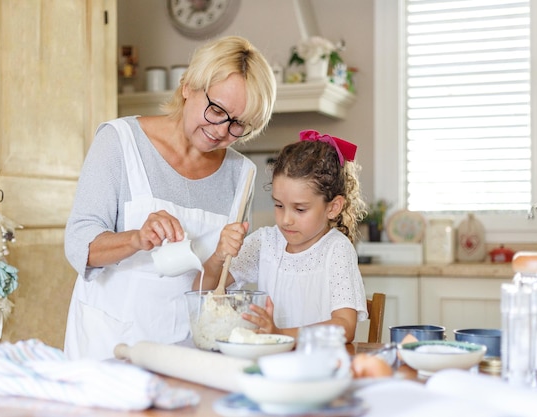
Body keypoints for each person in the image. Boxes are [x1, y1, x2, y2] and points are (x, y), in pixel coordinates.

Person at [63, 36, 277, 360]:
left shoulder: (241, 175)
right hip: (109, 344)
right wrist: (136, 238)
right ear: (188, 86)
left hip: (188, 352)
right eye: (217, 109)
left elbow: (216, 285)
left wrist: (220, 257)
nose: (222, 130)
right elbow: (80, 246)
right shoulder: (119, 142)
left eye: (239, 125)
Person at [194, 129, 369, 342]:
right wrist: (218, 257)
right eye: (278, 205)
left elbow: (344, 327)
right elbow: (201, 292)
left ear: (333, 207)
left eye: (300, 209)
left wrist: (280, 335)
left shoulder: (336, 249)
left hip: (320, 366)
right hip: (271, 366)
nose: (286, 219)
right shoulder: (266, 242)